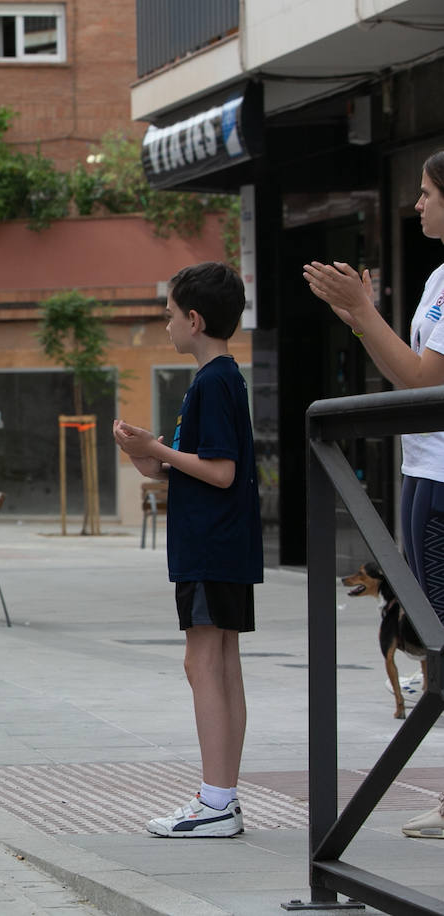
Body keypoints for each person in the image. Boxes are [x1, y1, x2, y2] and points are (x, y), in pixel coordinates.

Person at [303, 147, 444, 840]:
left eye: (427, 192)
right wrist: (360, 316)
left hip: (443, 475)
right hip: (425, 469)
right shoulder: (439, 278)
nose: (418, 204)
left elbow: (421, 380)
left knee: (440, 637)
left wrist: (362, 310)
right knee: (434, 634)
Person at [113, 261, 261, 838]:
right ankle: (222, 796)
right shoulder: (221, 379)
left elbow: (220, 472)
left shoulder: (214, 382)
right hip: (223, 546)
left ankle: (216, 800)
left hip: (212, 547)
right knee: (220, 665)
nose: (166, 324)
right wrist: (144, 451)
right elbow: (192, 467)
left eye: (170, 314)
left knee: (205, 664)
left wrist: (160, 452)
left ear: (194, 319)